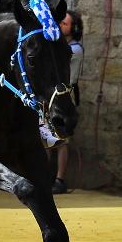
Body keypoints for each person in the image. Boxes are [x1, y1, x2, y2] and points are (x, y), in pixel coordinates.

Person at [51, 10, 83, 195]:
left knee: (62, 140)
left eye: (65, 24)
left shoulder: (75, 49)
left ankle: (60, 178)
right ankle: (45, 175)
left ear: (74, 28)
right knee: (46, 137)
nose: (61, 26)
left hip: (65, 95)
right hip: (52, 94)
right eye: (60, 23)